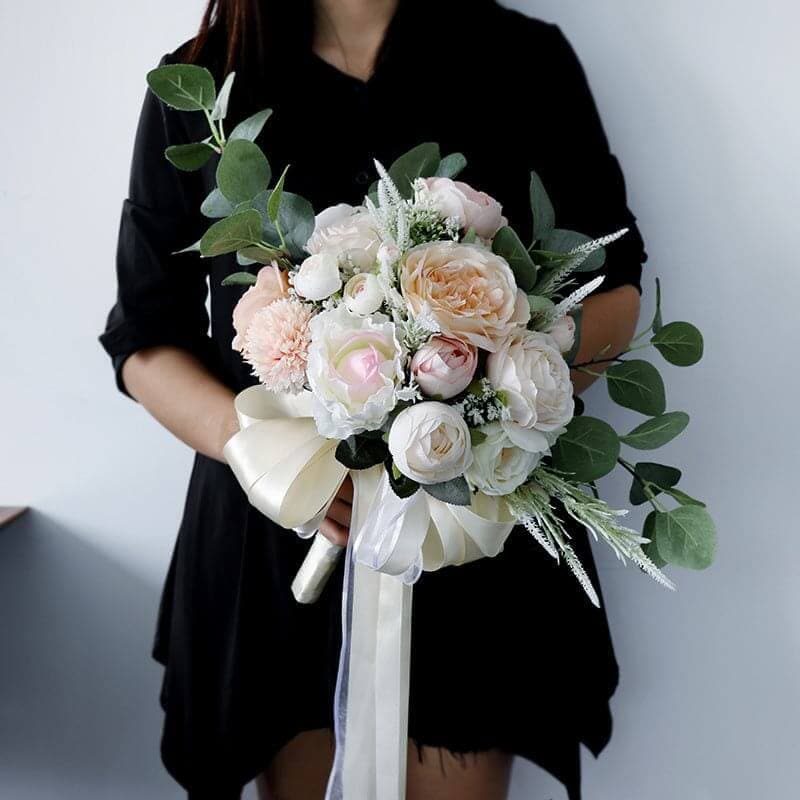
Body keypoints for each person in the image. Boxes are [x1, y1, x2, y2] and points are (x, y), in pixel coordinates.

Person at [99, 1, 646, 798]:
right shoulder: (203, 82)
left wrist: (485, 401)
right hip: (275, 542)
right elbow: (145, 336)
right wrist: (268, 458)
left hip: (475, 523)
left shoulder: (525, 59)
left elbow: (615, 282)